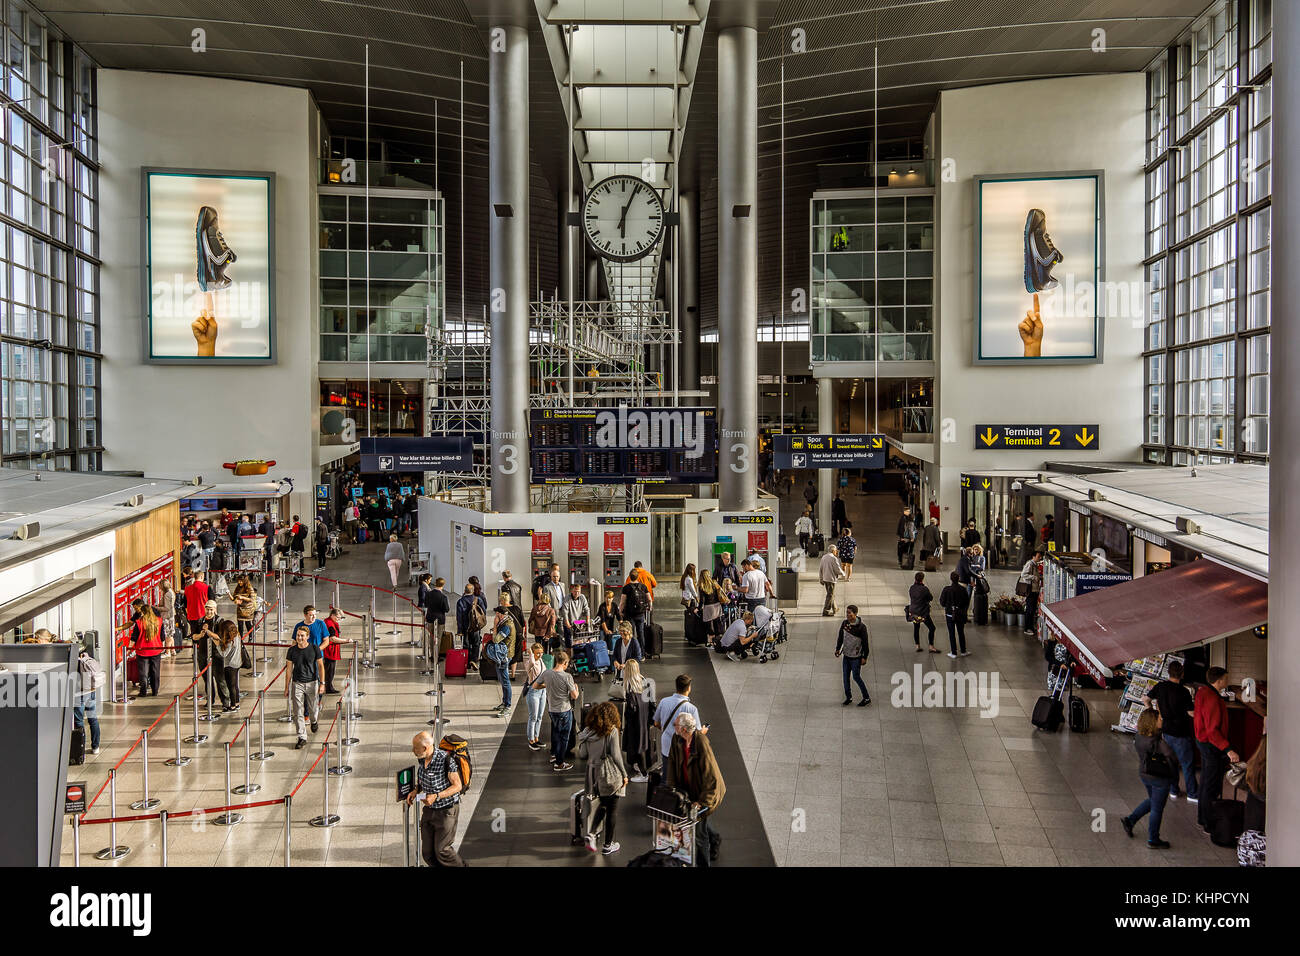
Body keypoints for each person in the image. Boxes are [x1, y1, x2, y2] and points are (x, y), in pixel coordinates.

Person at [665, 712, 725, 867]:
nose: (674, 727)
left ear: (684, 729)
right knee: (699, 823)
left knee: (699, 835)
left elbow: (711, 777)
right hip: (688, 790)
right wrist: (671, 788)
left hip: (703, 793)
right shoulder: (677, 739)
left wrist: (702, 802)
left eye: (676, 725)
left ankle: (704, 863)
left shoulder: (701, 742)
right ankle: (715, 837)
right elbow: (672, 762)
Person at [1119, 708, 1179, 849]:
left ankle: (1130, 820)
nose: (1161, 721)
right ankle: (1153, 839)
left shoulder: (1139, 737)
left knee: (1153, 801)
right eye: (1159, 719)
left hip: (1144, 774)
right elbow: (1172, 757)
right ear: (1153, 722)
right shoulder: (1158, 743)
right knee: (1157, 809)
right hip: (1159, 777)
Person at [406, 731, 467, 867]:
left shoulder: (446, 760)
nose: (413, 751)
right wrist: (416, 790)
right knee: (428, 852)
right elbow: (423, 779)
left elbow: (457, 786)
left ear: (426, 748)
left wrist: (437, 795)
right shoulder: (422, 758)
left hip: (447, 811)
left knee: (442, 850)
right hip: (430, 810)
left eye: (415, 748)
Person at [1141, 659, 1198, 802]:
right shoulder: (1184, 692)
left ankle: (1174, 790)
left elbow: (1146, 699)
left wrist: (1151, 711)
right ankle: (1192, 793)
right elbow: (1191, 713)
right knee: (1187, 763)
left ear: (1168, 672)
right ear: (1182, 674)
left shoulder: (1160, 686)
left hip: (1165, 730)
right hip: (1181, 731)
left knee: (1170, 762)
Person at [578, 701, 629, 855]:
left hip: (591, 774)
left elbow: (583, 755)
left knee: (603, 803)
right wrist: (624, 774)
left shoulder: (587, 731)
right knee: (612, 807)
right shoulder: (611, 731)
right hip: (608, 774)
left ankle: (592, 833)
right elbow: (616, 755)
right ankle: (608, 845)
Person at [1194, 667, 1240, 834]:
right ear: (1219, 680)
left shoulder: (1202, 692)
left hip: (1202, 741)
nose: (1227, 681)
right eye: (1226, 678)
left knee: (1206, 781)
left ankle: (1202, 817)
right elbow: (1213, 730)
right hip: (1211, 745)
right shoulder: (1213, 699)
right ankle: (1208, 822)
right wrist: (1228, 749)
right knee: (1211, 785)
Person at [533, 650, 580, 770]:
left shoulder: (546, 673)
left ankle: (554, 754)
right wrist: (576, 688)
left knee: (555, 732)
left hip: (552, 709)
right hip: (564, 710)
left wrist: (546, 686)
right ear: (564, 662)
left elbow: (535, 686)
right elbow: (574, 696)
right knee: (564, 736)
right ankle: (559, 763)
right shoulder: (567, 676)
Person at [284, 624, 324, 749]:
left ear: (307, 636)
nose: (299, 638)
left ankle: (314, 721)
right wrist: (286, 687)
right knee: (298, 711)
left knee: (312, 708)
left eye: (302, 635)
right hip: (297, 683)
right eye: (298, 635)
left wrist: (322, 683)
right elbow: (289, 670)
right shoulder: (291, 650)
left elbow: (321, 666)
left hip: (312, 682)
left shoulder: (314, 648)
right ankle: (302, 736)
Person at [653, 674, 703, 770]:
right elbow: (697, 733)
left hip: (666, 746)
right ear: (689, 688)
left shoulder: (664, 701)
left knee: (667, 776)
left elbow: (656, 723)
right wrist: (703, 731)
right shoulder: (692, 709)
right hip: (683, 750)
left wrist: (666, 729)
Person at [834, 605, 871, 705]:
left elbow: (865, 643)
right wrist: (838, 649)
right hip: (846, 656)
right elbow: (840, 637)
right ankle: (848, 697)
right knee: (845, 678)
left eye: (849, 612)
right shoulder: (845, 623)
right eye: (847, 612)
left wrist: (864, 657)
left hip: (856, 658)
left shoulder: (861, 628)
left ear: (855, 614)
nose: (847, 615)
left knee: (856, 677)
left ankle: (866, 697)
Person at [486, 603, 517, 716]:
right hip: (503, 654)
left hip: (504, 656)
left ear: (500, 614)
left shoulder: (506, 625)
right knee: (502, 680)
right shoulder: (505, 622)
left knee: (505, 681)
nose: (495, 616)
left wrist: (494, 626)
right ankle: (504, 703)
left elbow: (496, 640)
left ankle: (507, 706)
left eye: (496, 614)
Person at [130, 605, 166, 697]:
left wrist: (129, 650)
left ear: (142, 612)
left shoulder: (139, 622)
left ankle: (143, 692)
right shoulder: (159, 621)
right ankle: (155, 691)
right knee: (155, 671)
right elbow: (162, 637)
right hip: (156, 650)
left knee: (143, 673)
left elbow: (134, 637)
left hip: (142, 651)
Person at [194, 599, 225, 702]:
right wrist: (200, 635)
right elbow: (194, 636)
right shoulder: (200, 621)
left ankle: (225, 701)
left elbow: (220, 637)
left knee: (220, 679)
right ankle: (210, 701)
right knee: (207, 680)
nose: (209, 612)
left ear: (215, 610)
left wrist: (208, 632)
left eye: (211, 610)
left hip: (216, 654)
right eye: (207, 609)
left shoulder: (219, 621)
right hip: (203, 654)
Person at [73, 645, 102, 755]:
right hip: (91, 691)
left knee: (79, 722)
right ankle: (96, 747)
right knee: (93, 719)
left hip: (78, 694)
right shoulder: (86, 659)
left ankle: (81, 748)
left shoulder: (72, 663)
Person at [211, 619, 242, 712]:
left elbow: (223, 654)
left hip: (230, 666)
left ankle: (232, 706)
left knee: (231, 686)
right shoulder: (237, 636)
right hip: (237, 663)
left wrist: (217, 645)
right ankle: (237, 703)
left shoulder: (230, 642)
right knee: (235, 685)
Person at [455, 583, 487, 671]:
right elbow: (483, 612)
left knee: (466, 645)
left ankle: (467, 662)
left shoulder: (460, 601)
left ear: (465, 591)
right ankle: (474, 660)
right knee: (476, 643)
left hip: (465, 627)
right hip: (476, 627)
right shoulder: (478, 600)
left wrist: (459, 630)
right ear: (472, 591)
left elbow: (459, 617)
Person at [939, 571, 970, 658]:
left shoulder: (946, 589)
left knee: (951, 633)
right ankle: (963, 651)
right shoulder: (963, 589)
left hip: (949, 614)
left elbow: (942, 602)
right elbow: (966, 602)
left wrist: (948, 606)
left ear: (951, 579)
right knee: (961, 632)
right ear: (958, 579)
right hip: (960, 614)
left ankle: (954, 652)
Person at [321, 607, 352, 694]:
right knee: (330, 669)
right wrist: (346, 640)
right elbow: (332, 639)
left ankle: (327, 686)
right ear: (332, 615)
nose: (339, 619)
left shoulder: (328, 621)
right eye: (337, 617)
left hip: (329, 649)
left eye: (340, 618)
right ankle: (328, 688)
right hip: (330, 650)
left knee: (328, 668)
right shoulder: (330, 624)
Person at [524, 642, 548, 751]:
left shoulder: (541, 661)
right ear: (533, 653)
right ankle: (531, 740)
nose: (540, 655)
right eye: (537, 653)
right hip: (533, 692)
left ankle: (537, 738)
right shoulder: (530, 662)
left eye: (541, 653)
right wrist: (531, 654)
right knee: (533, 717)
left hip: (543, 691)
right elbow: (532, 663)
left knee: (540, 716)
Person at [619, 569, 651, 647]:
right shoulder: (643, 586)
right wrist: (649, 608)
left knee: (630, 633)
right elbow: (649, 599)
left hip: (629, 614)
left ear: (629, 577)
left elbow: (622, 602)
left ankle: (632, 651)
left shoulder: (626, 588)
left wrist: (620, 611)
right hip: (640, 613)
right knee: (641, 633)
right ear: (638, 577)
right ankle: (642, 653)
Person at [908, 571, 939, 652]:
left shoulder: (911, 588)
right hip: (922, 613)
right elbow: (930, 598)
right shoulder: (924, 589)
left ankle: (917, 645)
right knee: (932, 628)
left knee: (916, 628)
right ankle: (931, 646)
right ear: (922, 579)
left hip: (913, 612)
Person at [422, 576, 450, 660]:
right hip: (440, 619)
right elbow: (446, 609)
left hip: (430, 617)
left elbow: (426, 604)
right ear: (443, 585)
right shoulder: (443, 597)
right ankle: (436, 656)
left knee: (431, 636)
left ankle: (431, 654)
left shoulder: (429, 594)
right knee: (438, 637)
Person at [697, 570, 729, 643]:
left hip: (708, 607)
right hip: (717, 606)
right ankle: (718, 641)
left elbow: (702, 600)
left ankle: (711, 641)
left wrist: (698, 609)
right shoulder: (714, 583)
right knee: (717, 623)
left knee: (709, 625)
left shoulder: (702, 586)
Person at [1018, 548, 1043, 635]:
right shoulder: (1030, 564)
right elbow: (1023, 574)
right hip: (1031, 590)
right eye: (1038, 556)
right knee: (1029, 609)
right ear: (1033, 556)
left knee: (1032, 610)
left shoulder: (1035, 564)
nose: (1040, 558)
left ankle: (1030, 627)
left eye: (1040, 556)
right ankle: (1027, 628)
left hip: (1035, 590)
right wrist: (1034, 577)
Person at [561, 582, 590, 646]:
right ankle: (569, 654)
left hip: (578, 623)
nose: (577, 593)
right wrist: (567, 623)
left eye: (578, 592)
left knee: (579, 642)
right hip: (569, 623)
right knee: (569, 643)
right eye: (575, 591)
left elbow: (587, 609)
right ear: (572, 591)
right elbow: (565, 611)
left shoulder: (582, 597)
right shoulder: (567, 598)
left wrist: (587, 620)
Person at [819, 545, 844, 617]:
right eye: (836, 550)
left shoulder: (824, 557)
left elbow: (820, 568)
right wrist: (843, 573)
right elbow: (837, 569)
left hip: (825, 578)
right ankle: (826, 611)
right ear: (833, 551)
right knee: (830, 595)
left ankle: (835, 608)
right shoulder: (833, 558)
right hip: (831, 579)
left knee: (830, 594)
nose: (836, 552)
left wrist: (821, 578)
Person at [233, 575, 257, 641]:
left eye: (241, 581)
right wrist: (235, 600)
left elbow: (252, 599)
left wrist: (243, 598)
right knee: (240, 624)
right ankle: (240, 638)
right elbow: (234, 596)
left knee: (248, 623)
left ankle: (250, 636)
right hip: (240, 609)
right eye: (238, 581)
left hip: (248, 609)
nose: (239, 582)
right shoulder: (238, 588)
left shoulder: (249, 588)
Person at [159, 578, 178, 657]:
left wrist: (155, 607)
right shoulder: (171, 591)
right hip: (171, 616)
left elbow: (166, 608)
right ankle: (173, 650)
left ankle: (167, 652)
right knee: (171, 634)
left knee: (168, 635)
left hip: (167, 617)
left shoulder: (167, 594)